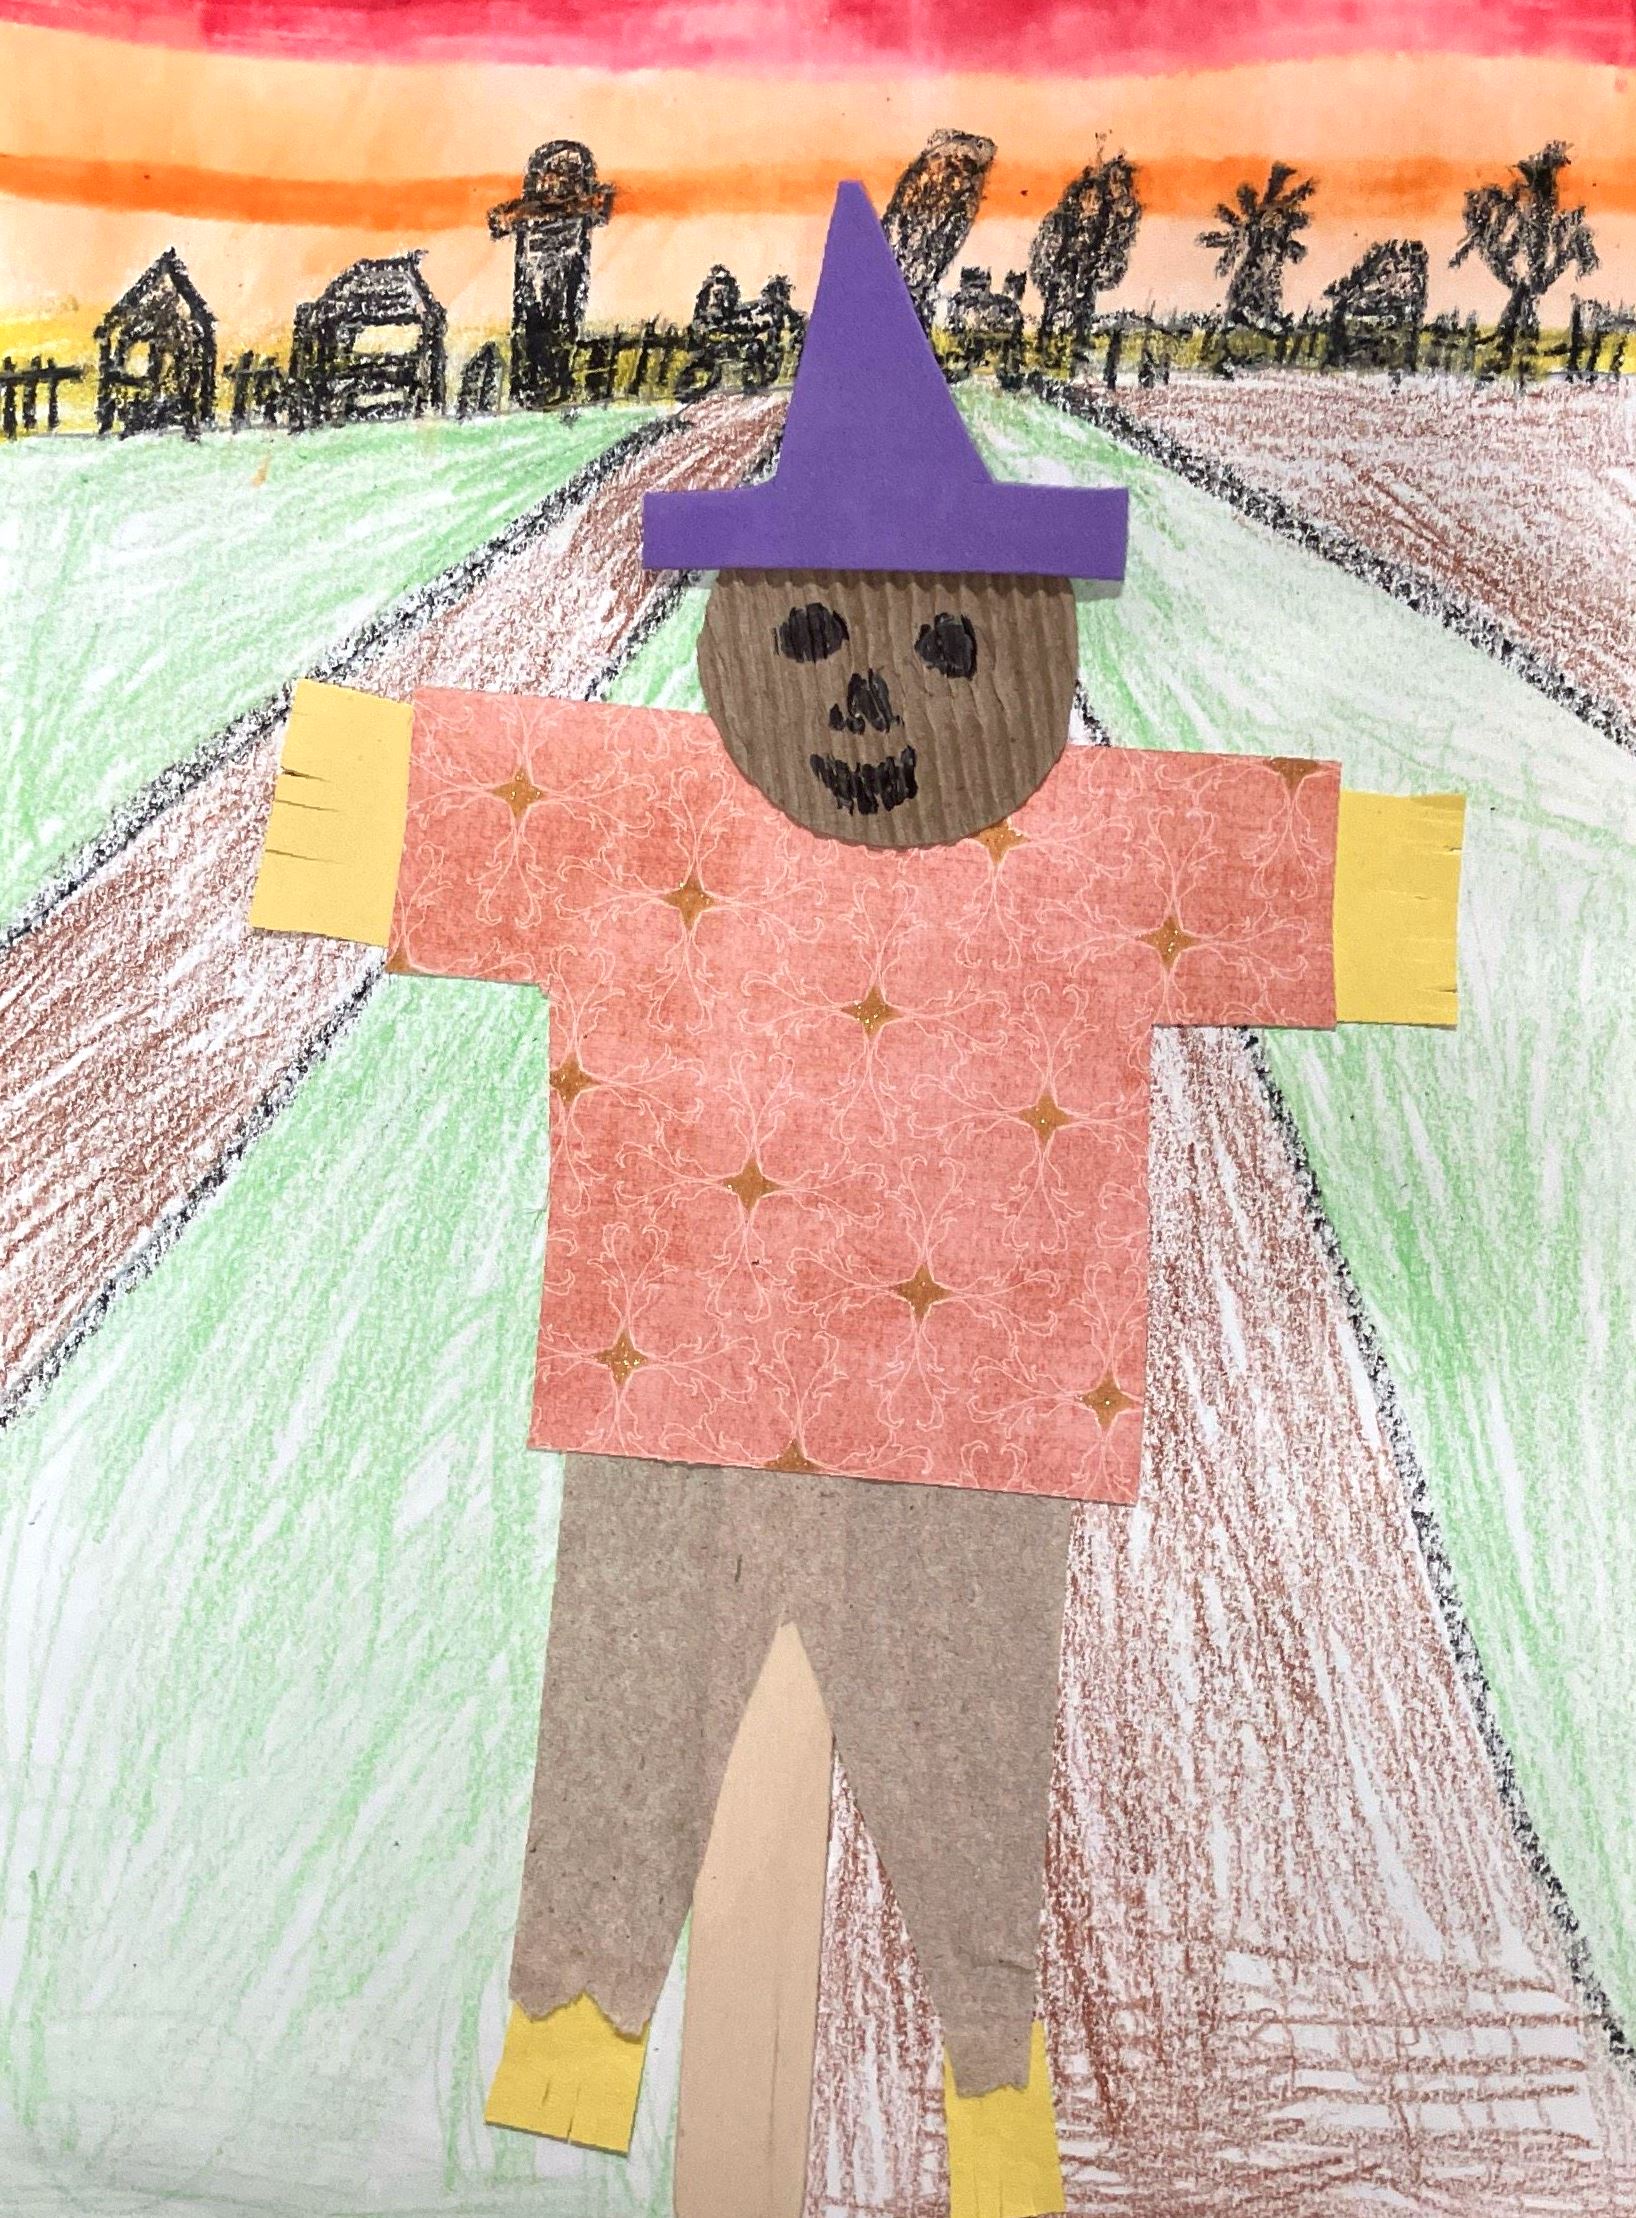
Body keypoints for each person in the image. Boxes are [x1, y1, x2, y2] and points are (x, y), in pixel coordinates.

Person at [249, 183, 1462, 2218]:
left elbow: (1371, 893)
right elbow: (387, 800)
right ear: (744, 635)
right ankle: (577, 2066)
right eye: (813, 634)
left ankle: (990, 2122)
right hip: (686, 1382)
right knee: (630, 1731)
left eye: (940, 644)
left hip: (958, 1410)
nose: (870, 694)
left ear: (1026, 645)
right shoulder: (639, 807)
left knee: (964, 1780)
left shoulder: (1102, 844)